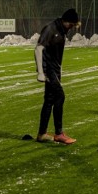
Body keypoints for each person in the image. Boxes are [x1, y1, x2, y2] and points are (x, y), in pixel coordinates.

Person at [34, 8, 81, 144]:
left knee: (49, 100)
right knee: (60, 96)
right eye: (71, 25)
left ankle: (42, 134)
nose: (71, 28)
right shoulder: (50, 29)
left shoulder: (61, 30)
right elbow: (38, 49)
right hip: (48, 70)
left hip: (55, 70)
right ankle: (59, 133)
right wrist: (41, 72)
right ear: (65, 21)